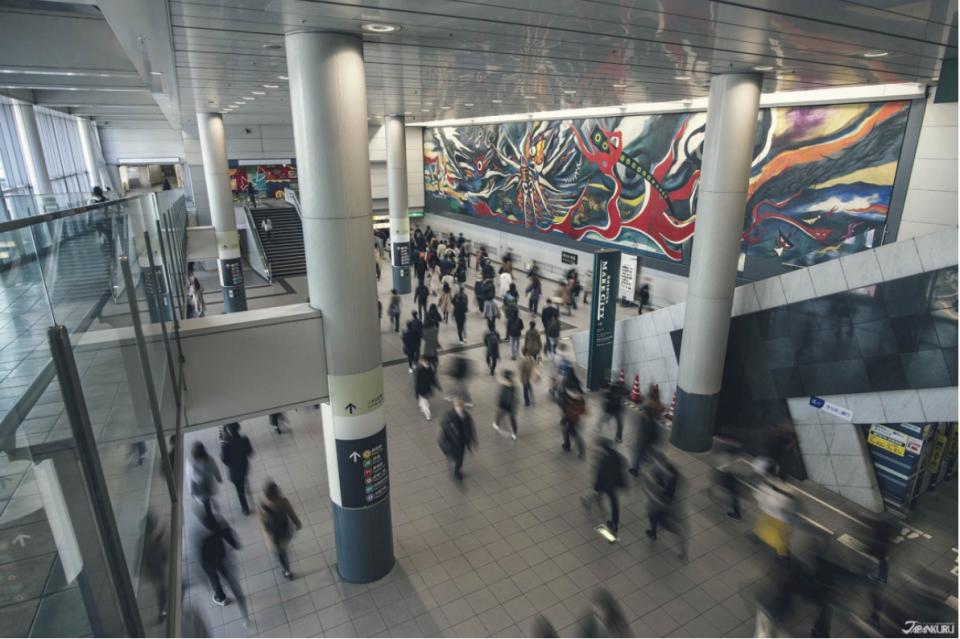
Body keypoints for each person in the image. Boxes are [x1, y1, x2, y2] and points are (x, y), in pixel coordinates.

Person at [198, 511, 247, 616]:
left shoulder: (202, 537)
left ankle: (221, 597)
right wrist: (235, 545)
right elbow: (230, 537)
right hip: (220, 556)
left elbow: (200, 555)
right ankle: (236, 592)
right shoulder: (220, 528)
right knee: (227, 575)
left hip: (209, 563)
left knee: (214, 578)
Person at [643, 449, 686, 559]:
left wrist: (649, 492)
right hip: (664, 505)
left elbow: (661, 495)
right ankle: (653, 533)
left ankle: (683, 551)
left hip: (665, 507)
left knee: (675, 529)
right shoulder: (668, 471)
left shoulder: (668, 476)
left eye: (655, 461)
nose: (655, 464)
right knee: (652, 517)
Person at [257, 481, 302, 579]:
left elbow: (264, 524)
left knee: (280, 554)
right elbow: (291, 513)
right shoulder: (284, 501)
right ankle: (287, 569)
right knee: (283, 549)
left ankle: (287, 571)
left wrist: (267, 536)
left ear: (266, 494)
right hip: (286, 531)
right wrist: (297, 523)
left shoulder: (263, 507)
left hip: (274, 535)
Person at [582, 438, 627, 534]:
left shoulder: (604, 458)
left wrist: (596, 486)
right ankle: (614, 523)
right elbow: (623, 465)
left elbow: (600, 474)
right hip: (614, 483)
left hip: (605, 484)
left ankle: (587, 501)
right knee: (614, 503)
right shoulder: (616, 455)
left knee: (596, 492)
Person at [219, 423, 254, 515]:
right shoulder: (244, 440)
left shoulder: (225, 446)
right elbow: (250, 453)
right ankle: (247, 488)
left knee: (239, 491)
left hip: (234, 472)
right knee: (243, 479)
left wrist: (231, 464)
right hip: (244, 467)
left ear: (229, 432)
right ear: (239, 429)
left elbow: (223, 459)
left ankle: (245, 509)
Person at [438, 398, 476, 480]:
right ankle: (453, 461)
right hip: (450, 442)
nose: (460, 409)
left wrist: (472, 439)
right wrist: (453, 432)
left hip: (461, 442)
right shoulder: (449, 415)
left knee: (460, 459)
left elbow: (470, 428)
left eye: (461, 407)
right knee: (453, 455)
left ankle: (457, 471)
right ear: (454, 407)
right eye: (458, 407)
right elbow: (444, 424)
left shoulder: (466, 416)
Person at [629, 400, 662, 476]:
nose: (642, 413)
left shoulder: (647, 422)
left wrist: (640, 441)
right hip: (650, 442)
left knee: (638, 454)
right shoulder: (652, 421)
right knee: (646, 454)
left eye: (643, 412)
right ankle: (643, 463)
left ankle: (635, 470)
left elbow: (643, 434)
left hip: (644, 442)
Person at [189, 441, 222, 518]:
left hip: (201, 486)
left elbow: (191, 477)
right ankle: (213, 504)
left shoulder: (193, 463)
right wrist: (218, 477)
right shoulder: (209, 459)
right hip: (208, 483)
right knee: (209, 497)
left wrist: (192, 490)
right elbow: (215, 468)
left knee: (206, 501)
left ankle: (210, 514)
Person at [560, 377, 586, 458]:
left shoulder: (571, 396)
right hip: (571, 418)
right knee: (566, 431)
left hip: (572, 419)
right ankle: (567, 445)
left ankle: (569, 447)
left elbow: (582, 409)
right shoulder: (576, 396)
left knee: (574, 435)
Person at [598, 377, 628, 442]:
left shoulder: (620, 391)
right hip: (610, 409)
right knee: (605, 418)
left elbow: (627, 392)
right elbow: (605, 397)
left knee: (620, 424)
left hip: (616, 410)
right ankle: (599, 426)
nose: (618, 394)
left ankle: (618, 437)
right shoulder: (610, 391)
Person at [493, 370, 519, 440]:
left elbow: (502, 395)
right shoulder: (512, 385)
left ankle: (497, 424)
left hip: (506, 405)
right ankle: (514, 433)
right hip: (509, 405)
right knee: (511, 418)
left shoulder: (506, 385)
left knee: (501, 414)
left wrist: (499, 403)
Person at [414, 356, 441, 420]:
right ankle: (422, 408)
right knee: (424, 400)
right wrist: (437, 386)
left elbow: (417, 382)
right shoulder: (430, 368)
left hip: (422, 389)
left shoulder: (420, 369)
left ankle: (428, 415)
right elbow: (433, 379)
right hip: (427, 388)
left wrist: (416, 392)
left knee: (424, 402)